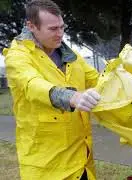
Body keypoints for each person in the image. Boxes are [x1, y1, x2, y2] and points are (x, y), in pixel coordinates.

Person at [3, 0, 101, 179]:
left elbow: (98, 80)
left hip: (82, 163)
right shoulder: (17, 56)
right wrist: (72, 97)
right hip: (47, 167)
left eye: (62, 27)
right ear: (31, 26)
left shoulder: (71, 55)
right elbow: (32, 84)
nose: (60, 34)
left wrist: (126, 74)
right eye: (53, 29)